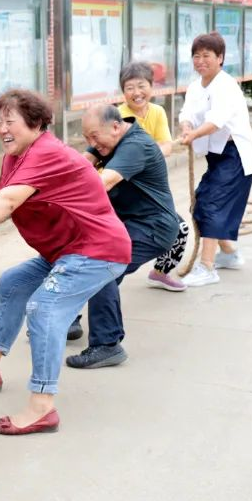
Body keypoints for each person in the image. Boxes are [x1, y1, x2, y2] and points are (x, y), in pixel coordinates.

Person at [0, 89, 129, 434]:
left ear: (35, 123)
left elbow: (8, 200)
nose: (2, 129)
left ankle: (42, 405)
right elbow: (3, 201)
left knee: (45, 309)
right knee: (13, 283)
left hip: (97, 250)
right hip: (65, 251)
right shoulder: (16, 154)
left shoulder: (46, 152)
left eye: (9, 121)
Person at [66, 102, 180, 369]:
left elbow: (102, 182)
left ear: (116, 127)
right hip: (126, 223)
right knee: (85, 256)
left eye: (94, 136)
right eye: (86, 138)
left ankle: (107, 344)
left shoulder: (134, 145)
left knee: (101, 265)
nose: (92, 142)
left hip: (153, 227)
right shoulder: (107, 137)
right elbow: (81, 165)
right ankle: (70, 319)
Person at [177, 33, 252, 287]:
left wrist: (193, 134)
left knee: (210, 203)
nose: (201, 61)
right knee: (201, 203)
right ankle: (230, 254)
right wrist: (186, 125)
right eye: (196, 56)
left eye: (207, 56)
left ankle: (207, 267)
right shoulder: (195, 86)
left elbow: (216, 121)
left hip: (235, 155)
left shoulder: (226, 86)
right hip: (216, 156)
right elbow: (186, 113)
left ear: (220, 58)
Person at [113, 61, 190, 293]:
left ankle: (160, 273)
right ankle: (99, 286)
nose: (136, 93)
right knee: (112, 244)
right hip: (119, 189)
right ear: (123, 91)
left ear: (151, 86)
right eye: (129, 88)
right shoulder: (117, 115)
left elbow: (166, 147)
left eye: (141, 86)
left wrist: (143, 154)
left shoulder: (157, 112)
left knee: (180, 230)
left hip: (149, 190)